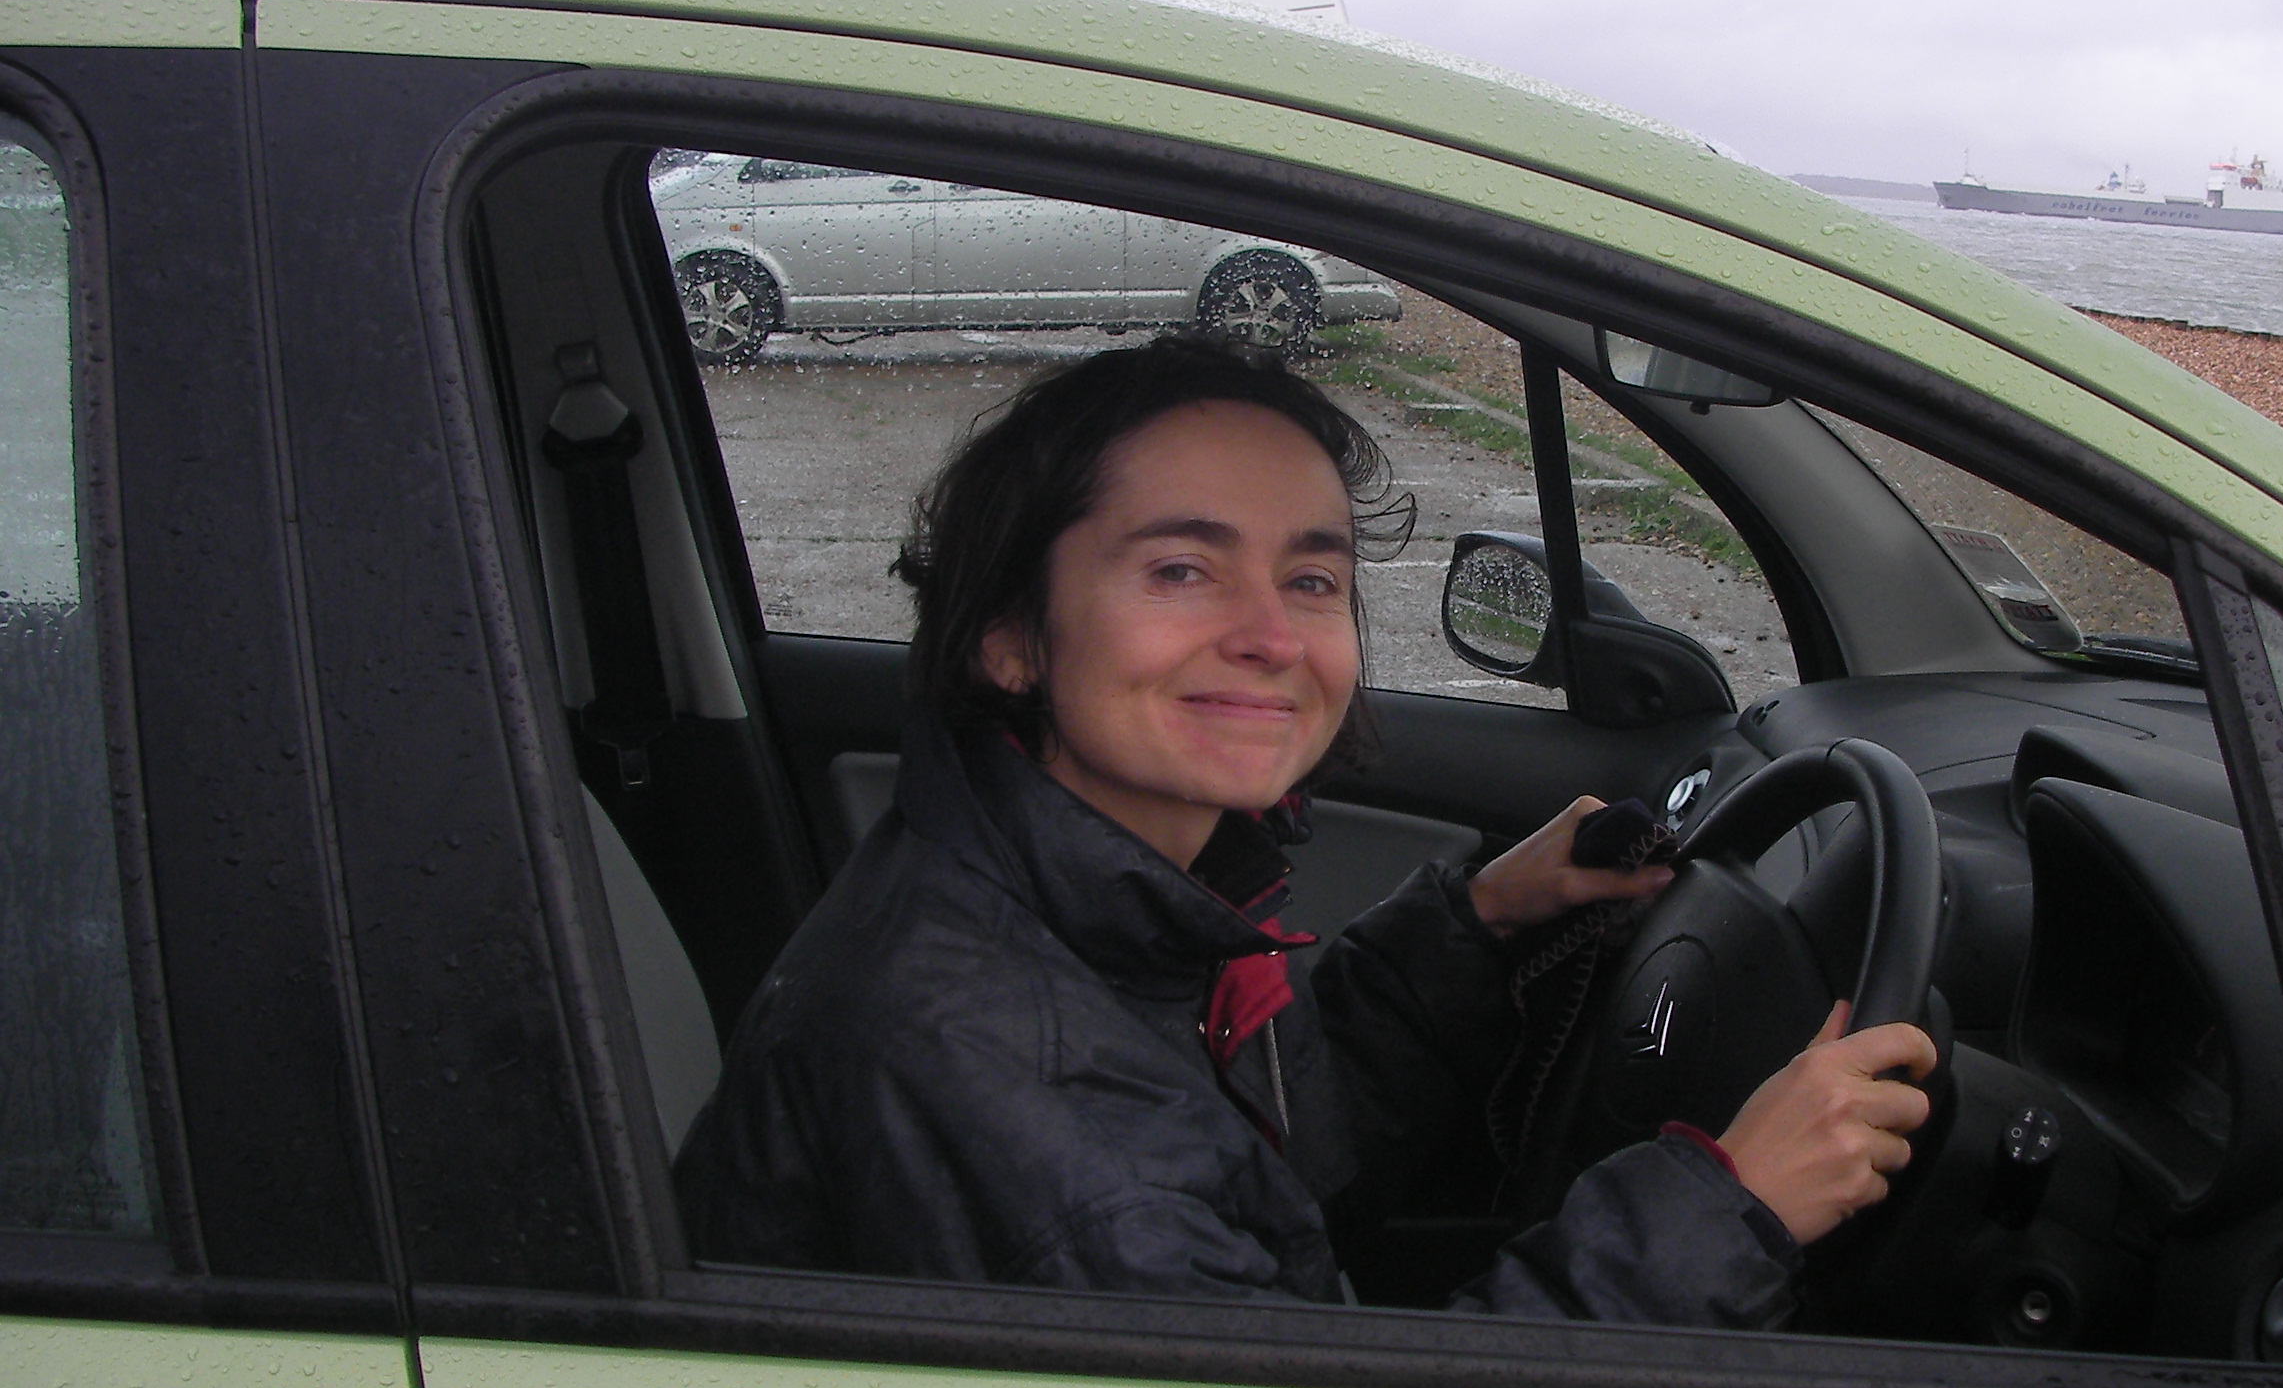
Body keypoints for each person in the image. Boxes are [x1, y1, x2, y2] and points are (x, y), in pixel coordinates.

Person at [674, 333, 1933, 1324]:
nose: (1272, 637)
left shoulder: (1085, 908)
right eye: (1181, 570)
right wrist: (1733, 1208)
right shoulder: (1002, 1079)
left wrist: (1480, 919)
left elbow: (1259, 1170)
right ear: (1007, 634)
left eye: (1311, 579)